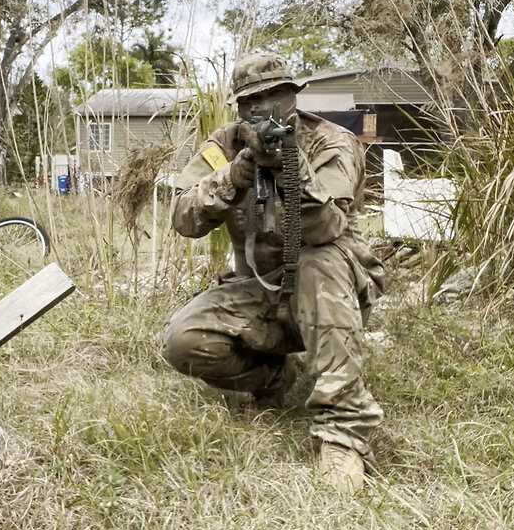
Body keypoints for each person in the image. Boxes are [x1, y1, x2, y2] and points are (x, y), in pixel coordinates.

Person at [161, 51, 386, 493]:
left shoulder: (331, 142)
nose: (265, 109)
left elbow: (325, 228)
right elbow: (183, 218)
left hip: (330, 289)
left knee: (318, 259)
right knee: (182, 341)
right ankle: (275, 377)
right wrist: (238, 173)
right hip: (261, 288)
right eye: (252, 102)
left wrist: (290, 166)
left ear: (294, 97)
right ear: (239, 109)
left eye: (276, 96)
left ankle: (344, 432)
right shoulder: (223, 146)